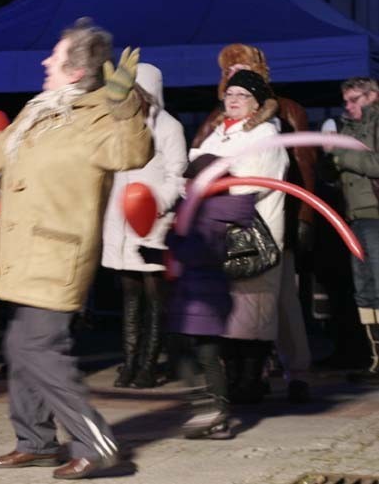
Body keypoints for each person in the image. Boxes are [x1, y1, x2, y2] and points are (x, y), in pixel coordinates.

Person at [0, 18, 152, 479]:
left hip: (57, 253)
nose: (43, 61)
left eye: (53, 57)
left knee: (38, 347)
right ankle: (35, 441)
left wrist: (124, 106)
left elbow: (132, 153)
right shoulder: (40, 113)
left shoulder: (98, 116)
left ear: (75, 71)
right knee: (21, 345)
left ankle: (94, 442)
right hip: (23, 253)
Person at [192, 44, 315, 402]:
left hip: (273, 224)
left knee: (279, 306)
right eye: (228, 77)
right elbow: (198, 156)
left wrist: (305, 218)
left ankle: (296, 373)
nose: (233, 87)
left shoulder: (283, 114)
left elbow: (301, 166)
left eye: (242, 73)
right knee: (245, 308)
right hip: (228, 228)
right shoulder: (218, 123)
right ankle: (251, 376)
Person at [101, 63, 187, 388]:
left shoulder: (168, 127)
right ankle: (129, 362)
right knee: (130, 296)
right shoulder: (118, 126)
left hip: (154, 224)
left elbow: (177, 177)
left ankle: (149, 364)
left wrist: (155, 206)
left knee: (155, 297)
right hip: (121, 225)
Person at [165, 154, 256, 439]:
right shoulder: (205, 209)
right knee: (198, 354)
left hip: (202, 294)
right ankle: (211, 411)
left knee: (202, 355)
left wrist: (169, 241)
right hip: (199, 291)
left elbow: (197, 252)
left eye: (190, 179)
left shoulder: (207, 211)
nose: (185, 184)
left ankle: (214, 412)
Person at [327, 77, 379, 384]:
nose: (348, 106)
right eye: (345, 101)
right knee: (365, 290)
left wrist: (339, 156)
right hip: (355, 216)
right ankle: (374, 357)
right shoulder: (348, 127)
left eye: (354, 100)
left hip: (375, 214)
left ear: (372, 96)